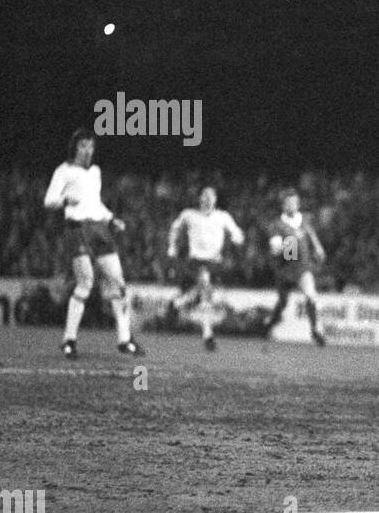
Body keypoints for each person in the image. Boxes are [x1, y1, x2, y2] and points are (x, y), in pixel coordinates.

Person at [42, 128, 144, 358]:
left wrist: (111, 219)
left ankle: (125, 340)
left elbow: (95, 203)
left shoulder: (95, 172)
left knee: (118, 283)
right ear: (75, 147)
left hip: (99, 229)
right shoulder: (64, 170)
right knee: (85, 282)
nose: (88, 150)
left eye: (91, 146)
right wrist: (65, 199)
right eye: (83, 146)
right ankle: (69, 340)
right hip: (77, 229)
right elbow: (48, 200)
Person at [167, 186, 245, 350]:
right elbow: (175, 227)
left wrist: (238, 236)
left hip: (215, 263)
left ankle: (178, 303)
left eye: (211, 196)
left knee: (204, 295)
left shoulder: (222, 216)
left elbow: (236, 231)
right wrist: (172, 247)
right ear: (200, 198)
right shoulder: (189, 215)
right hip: (196, 261)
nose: (208, 199)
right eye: (205, 195)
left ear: (215, 199)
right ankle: (208, 335)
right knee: (205, 293)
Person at [264, 188, 327, 346]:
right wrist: (277, 247)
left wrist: (318, 248)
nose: (291, 205)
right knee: (283, 302)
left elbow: (311, 236)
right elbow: (276, 246)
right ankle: (271, 322)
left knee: (311, 295)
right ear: (283, 206)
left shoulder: (304, 221)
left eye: (294, 203)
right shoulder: (278, 224)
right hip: (285, 269)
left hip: (302, 268)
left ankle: (315, 330)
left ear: (298, 204)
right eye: (288, 203)